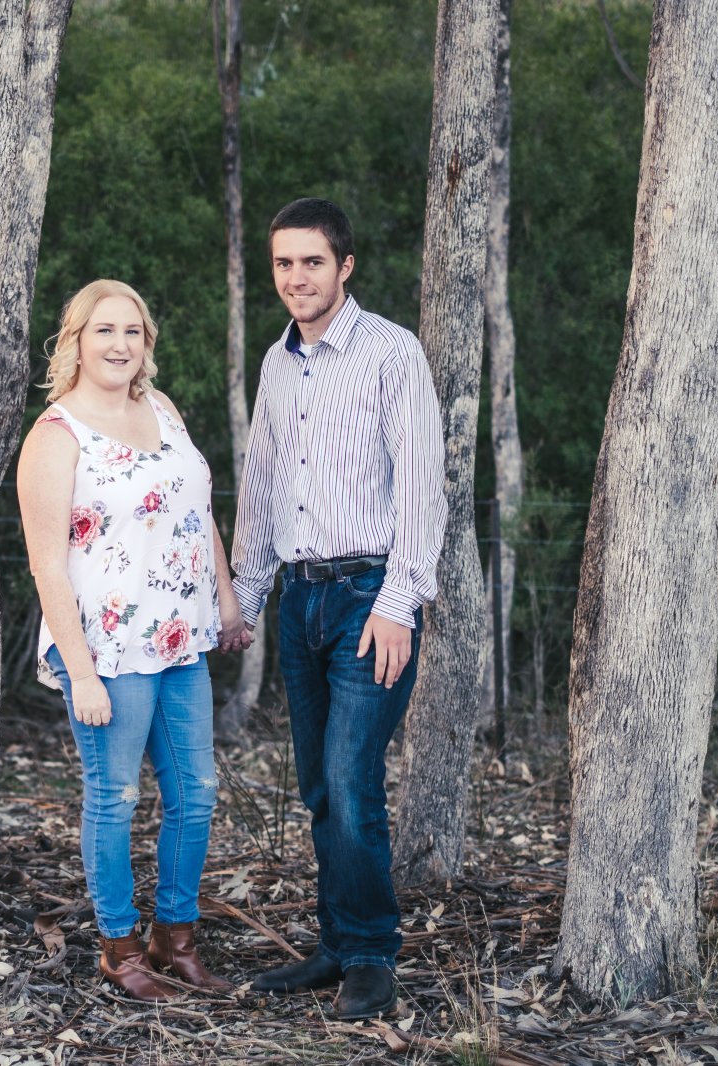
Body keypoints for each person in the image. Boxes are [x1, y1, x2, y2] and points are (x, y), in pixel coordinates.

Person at [230, 198, 447, 1020]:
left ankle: (371, 955)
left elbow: (422, 484)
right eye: (284, 263)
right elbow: (262, 483)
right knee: (320, 786)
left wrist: (399, 601)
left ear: (344, 266)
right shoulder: (277, 362)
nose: (296, 277)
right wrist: (245, 596)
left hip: (369, 598)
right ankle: (334, 944)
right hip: (301, 599)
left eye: (312, 262)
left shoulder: (392, 352)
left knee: (353, 780)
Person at [17, 279, 245, 1001]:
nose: (120, 345)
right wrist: (81, 672)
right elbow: (46, 564)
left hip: (178, 639)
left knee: (197, 792)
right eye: (104, 331)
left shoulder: (163, 409)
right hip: (107, 651)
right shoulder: (56, 436)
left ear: (147, 342)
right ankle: (120, 950)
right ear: (76, 342)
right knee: (115, 796)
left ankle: (175, 940)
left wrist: (226, 601)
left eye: (133, 332)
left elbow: (195, 512)